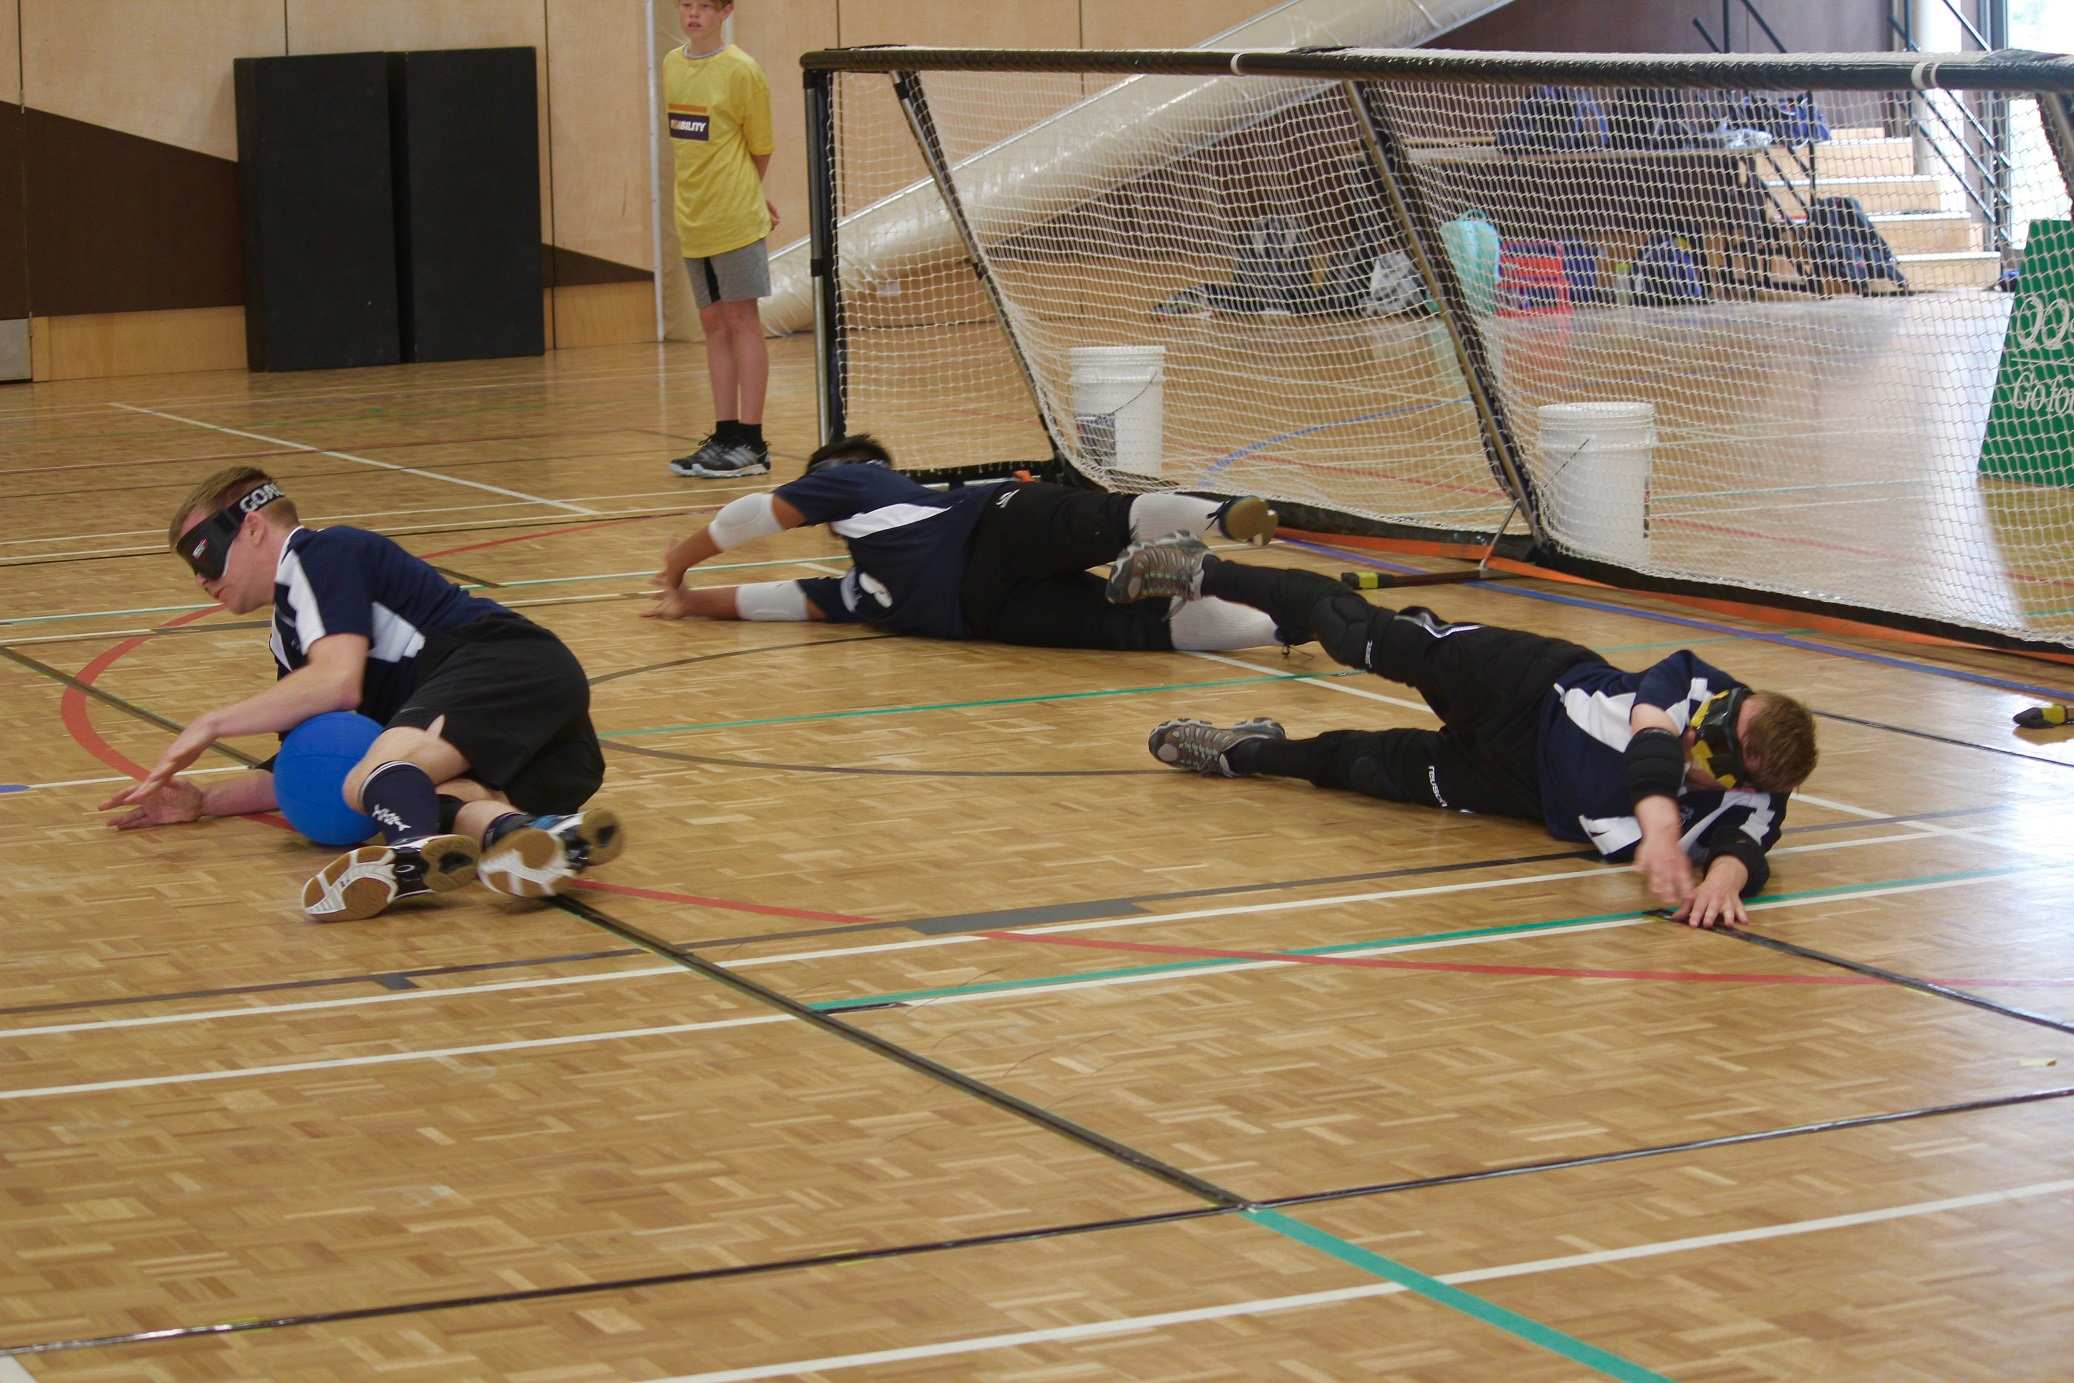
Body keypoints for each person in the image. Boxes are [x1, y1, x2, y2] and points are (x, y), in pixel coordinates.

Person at [1108, 536, 1818, 928]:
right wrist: (1661, 828)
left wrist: (1724, 878)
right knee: (1359, 636)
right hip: (1529, 685)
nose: (1710, 718)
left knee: (1363, 767)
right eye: (1727, 708)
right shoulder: (1699, 685)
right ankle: (1204, 568)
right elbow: (1652, 737)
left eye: (1721, 737)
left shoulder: (1753, 806)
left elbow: (1747, 850)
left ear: (1740, 773)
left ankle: (1240, 751)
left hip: (1520, 788)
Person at [100, 466, 624, 923]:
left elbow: (338, 684)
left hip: (500, 662)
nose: (199, 578)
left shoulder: (320, 553)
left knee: (368, 782)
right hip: (538, 729)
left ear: (254, 527)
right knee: (428, 797)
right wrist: (203, 801)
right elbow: (306, 762)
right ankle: (538, 838)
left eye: (205, 556)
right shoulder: (292, 633)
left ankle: (410, 856)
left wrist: (209, 724)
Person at [645, 433, 1284, 652]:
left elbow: (751, 512)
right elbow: (778, 601)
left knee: (1105, 520)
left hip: (994, 522)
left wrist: (677, 563)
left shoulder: (854, 480)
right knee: (1143, 628)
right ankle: (1286, 623)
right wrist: (689, 604)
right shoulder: (860, 591)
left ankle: (1222, 517)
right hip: (990, 612)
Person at [664, 0, 780, 479]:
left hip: (734, 219)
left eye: (705, 6)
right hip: (693, 220)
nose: (694, 15)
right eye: (686, 5)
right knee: (712, 324)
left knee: (741, 319)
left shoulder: (742, 71)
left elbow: (760, 148)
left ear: (725, 11)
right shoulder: (672, 65)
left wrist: (749, 194)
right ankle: (725, 433)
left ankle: (751, 442)